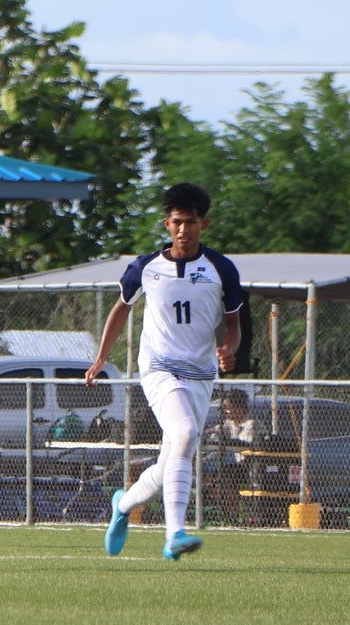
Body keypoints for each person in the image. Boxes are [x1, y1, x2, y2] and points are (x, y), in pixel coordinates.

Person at [86, 182, 243, 560]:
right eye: (177, 222)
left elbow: (234, 324)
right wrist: (101, 357)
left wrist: (229, 349)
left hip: (201, 374)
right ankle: (175, 533)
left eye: (191, 222)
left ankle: (123, 505)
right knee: (186, 432)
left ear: (203, 224)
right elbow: (121, 307)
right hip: (158, 367)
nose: (184, 230)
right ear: (166, 224)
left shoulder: (221, 268)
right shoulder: (145, 267)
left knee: (172, 459)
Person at [204, 388, 257, 523]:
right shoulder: (230, 423)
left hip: (253, 466)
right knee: (213, 477)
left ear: (239, 408)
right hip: (239, 466)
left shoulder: (251, 424)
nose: (225, 411)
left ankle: (236, 514)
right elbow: (217, 431)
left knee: (225, 475)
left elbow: (247, 446)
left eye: (228, 407)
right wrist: (208, 432)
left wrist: (228, 442)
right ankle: (226, 512)